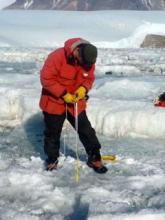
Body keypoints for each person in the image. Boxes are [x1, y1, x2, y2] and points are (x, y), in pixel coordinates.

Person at [39, 37, 107, 174]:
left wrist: (84, 88)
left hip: (75, 101)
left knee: (86, 130)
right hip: (54, 101)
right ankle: (52, 159)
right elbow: (46, 78)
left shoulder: (88, 58)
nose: (86, 66)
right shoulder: (56, 57)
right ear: (77, 52)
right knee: (52, 133)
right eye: (83, 62)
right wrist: (63, 94)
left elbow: (89, 78)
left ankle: (94, 157)